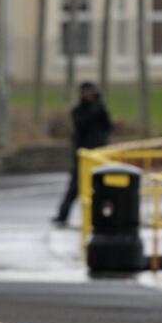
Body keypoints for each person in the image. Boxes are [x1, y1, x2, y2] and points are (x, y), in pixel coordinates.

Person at [52, 82, 113, 225]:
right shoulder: (79, 111)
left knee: (103, 187)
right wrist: (93, 111)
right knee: (75, 187)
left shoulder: (101, 109)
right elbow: (82, 124)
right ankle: (63, 214)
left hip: (99, 154)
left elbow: (107, 126)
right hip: (83, 155)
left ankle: (106, 215)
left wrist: (99, 109)